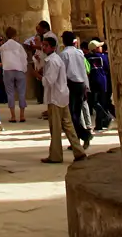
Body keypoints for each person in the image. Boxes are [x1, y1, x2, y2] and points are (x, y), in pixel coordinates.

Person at [39, 36, 87, 164]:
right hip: (62, 96)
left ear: (52, 47)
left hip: (55, 98)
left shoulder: (53, 61)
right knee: (68, 126)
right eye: (43, 45)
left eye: (46, 45)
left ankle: (55, 156)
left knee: (55, 128)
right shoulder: (54, 59)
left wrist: (38, 76)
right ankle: (79, 151)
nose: (44, 47)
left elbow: (49, 80)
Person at [59, 31, 92, 149]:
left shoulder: (64, 55)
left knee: (71, 115)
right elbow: (83, 70)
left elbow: (63, 74)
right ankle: (76, 141)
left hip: (71, 85)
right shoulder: (79, 53)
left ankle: (84, 135)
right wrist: (86, 88)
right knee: (76, 113)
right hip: (81, 84)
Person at [0, 26, 28, 123]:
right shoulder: (19, 46)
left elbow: (3, 60)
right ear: (15, 35)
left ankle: (13, 116)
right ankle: (22, 115)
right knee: (21, 93)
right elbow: (24, 58)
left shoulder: (3, 47)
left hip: (8, 70)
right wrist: (24, 69)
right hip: (19, 70)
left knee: (10, 93)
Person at [25, 20, 56, 105]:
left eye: (39, 29)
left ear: (44, 29)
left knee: (49, 84)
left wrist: (37, 73)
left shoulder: (50, 37)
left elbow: (45, 48)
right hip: (44, 62)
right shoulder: (45, 36)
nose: (37, 31)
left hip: (48, 62)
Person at [85, 40, 113, 131]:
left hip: (92, 81)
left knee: (93, 102)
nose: (101, 48)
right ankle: (100, 124)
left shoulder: (86, 57)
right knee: (101, 102)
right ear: (96, 48)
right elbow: (107, 68)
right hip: (103, 81)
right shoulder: (104, 57)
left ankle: (103, 119)